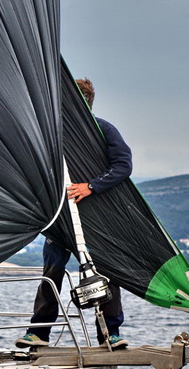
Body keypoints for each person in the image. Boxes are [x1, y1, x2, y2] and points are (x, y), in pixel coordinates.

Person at [17, 78, 132, 350]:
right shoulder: (51, 134)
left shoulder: (104, 130)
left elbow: (123, 166)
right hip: (61, 218)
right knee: (52, 273)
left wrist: (90, 187)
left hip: (97, 217)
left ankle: (109, 334)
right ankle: (38, 332)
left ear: (84, 103)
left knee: (105, 274)